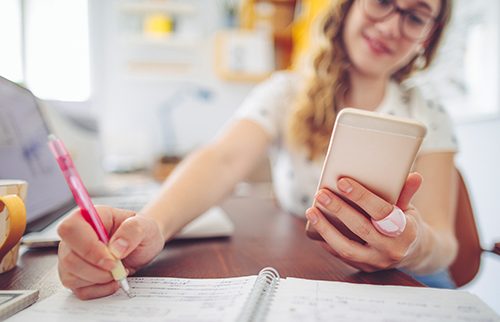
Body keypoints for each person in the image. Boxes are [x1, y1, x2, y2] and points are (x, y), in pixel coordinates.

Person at [57, 0, 458, 300]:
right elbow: (221, 159)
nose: (390, 25)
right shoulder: (285, 93)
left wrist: (413, 244)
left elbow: (444, 244)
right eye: (382, 1)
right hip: (307, 278)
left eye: (415, 15)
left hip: (406, 284)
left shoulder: (429, 112)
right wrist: (153, 226)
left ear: (429, 33)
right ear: (347, 7)